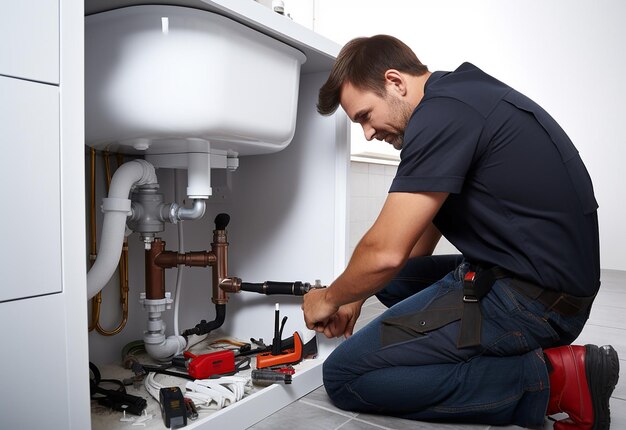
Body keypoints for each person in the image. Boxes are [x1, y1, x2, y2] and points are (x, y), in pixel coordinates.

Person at [302, 34, 619, 429]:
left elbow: (384, 251)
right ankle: (484, 353)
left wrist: (330, 297)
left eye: (365, 116)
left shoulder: (440, 116)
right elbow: (409, 251)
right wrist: (355, 295)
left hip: (536, 304)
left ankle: (553, 381)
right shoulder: (460, 95)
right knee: (391, 281)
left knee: (346, 375)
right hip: (544, 284)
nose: (367, 134)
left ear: (395, 82)